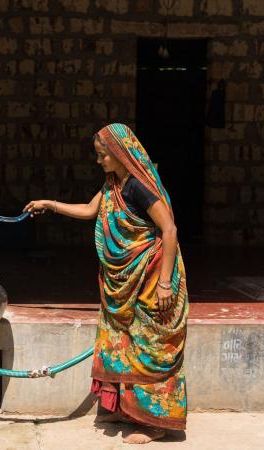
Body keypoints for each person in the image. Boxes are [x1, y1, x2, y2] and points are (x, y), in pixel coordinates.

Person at [24, 123, 188, 444]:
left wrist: (165, 283)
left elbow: (169, 230)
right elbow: (90, 209)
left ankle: (153, 422)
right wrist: (50, 205)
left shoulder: (140, 186)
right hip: (123, 283)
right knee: (122, 342)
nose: (99, 161)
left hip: (153, 278)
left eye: (103, 156)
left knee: (149, 346)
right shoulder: (114, 182)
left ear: (120, 154)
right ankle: (125, 410)